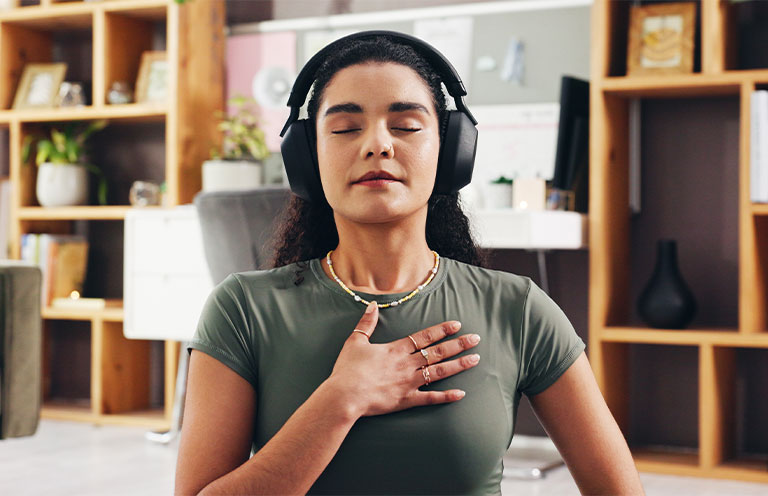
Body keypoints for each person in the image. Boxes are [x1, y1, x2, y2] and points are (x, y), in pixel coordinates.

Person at [175, 32, 644, 495]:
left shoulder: (518, 308)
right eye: (344, 128)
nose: (378, 145)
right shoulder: (241, 309)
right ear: (307, 157)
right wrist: (341, 400)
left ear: (451, 151)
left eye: (406, 126)